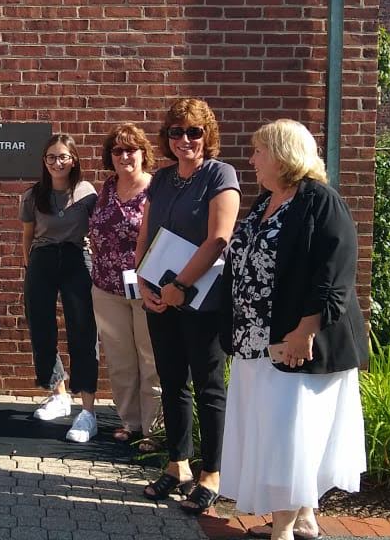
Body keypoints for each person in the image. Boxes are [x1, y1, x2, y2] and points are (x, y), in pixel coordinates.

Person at [217, 119, 367, 540]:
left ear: (283, 154)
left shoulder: (320, 201)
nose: (251, 159)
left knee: (287, 435)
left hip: (295, 342)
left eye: (258, 151)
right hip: (255, 340)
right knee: (281, 431)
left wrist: (306, 329)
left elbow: (334, 271)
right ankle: (303, 519)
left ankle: (281, 530)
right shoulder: (266, 201)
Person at [136, 98, 241, 514]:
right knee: (172, 379)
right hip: (160, 298)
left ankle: (211, 473)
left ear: (207, 134)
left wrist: (181, 284)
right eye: (176, 132)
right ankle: (177, 463)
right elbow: (145, 234)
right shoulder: (161, 180)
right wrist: (142, 283)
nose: (184, 140)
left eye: (193, 132)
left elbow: (219, 238)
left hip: (204, 301)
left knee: (209, 386)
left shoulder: (220, 174)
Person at [20, 133, 100, 443]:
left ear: (74, 160)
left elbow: (99, 229)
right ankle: (58, 393)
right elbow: (28, 235)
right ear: (44, 161)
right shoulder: (33, 195)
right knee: (41, 326)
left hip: (76, 259)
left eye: (63, 157)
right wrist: (30, 266)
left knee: (83, 330)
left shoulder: (87, 193)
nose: (57, 162)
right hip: (42, 259)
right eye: (51, 157)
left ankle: (88, 410)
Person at [87, 123, 162, 452]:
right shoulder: (106, 188)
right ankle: (130, 422)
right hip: (106, 287)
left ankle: (155, 429)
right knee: (119, 360)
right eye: (117, 150)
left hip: (145, 287)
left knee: (151, 359)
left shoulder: (156, 190)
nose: (124, 156)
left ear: (144, 154)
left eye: (131, 149)